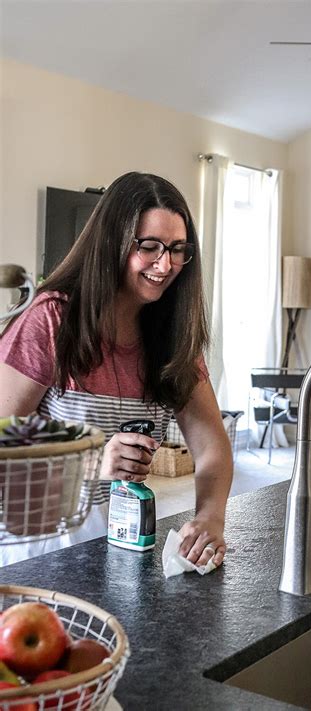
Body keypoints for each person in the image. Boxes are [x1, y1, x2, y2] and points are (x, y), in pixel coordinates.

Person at [0, 171, 233, 566]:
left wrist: (210, 517)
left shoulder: (172, 337)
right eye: (150, 246)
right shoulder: (52, 321)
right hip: (34, 554)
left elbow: (212, 447)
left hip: (116, 545)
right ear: (113, 242)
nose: (166, 264)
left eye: (178, 249)